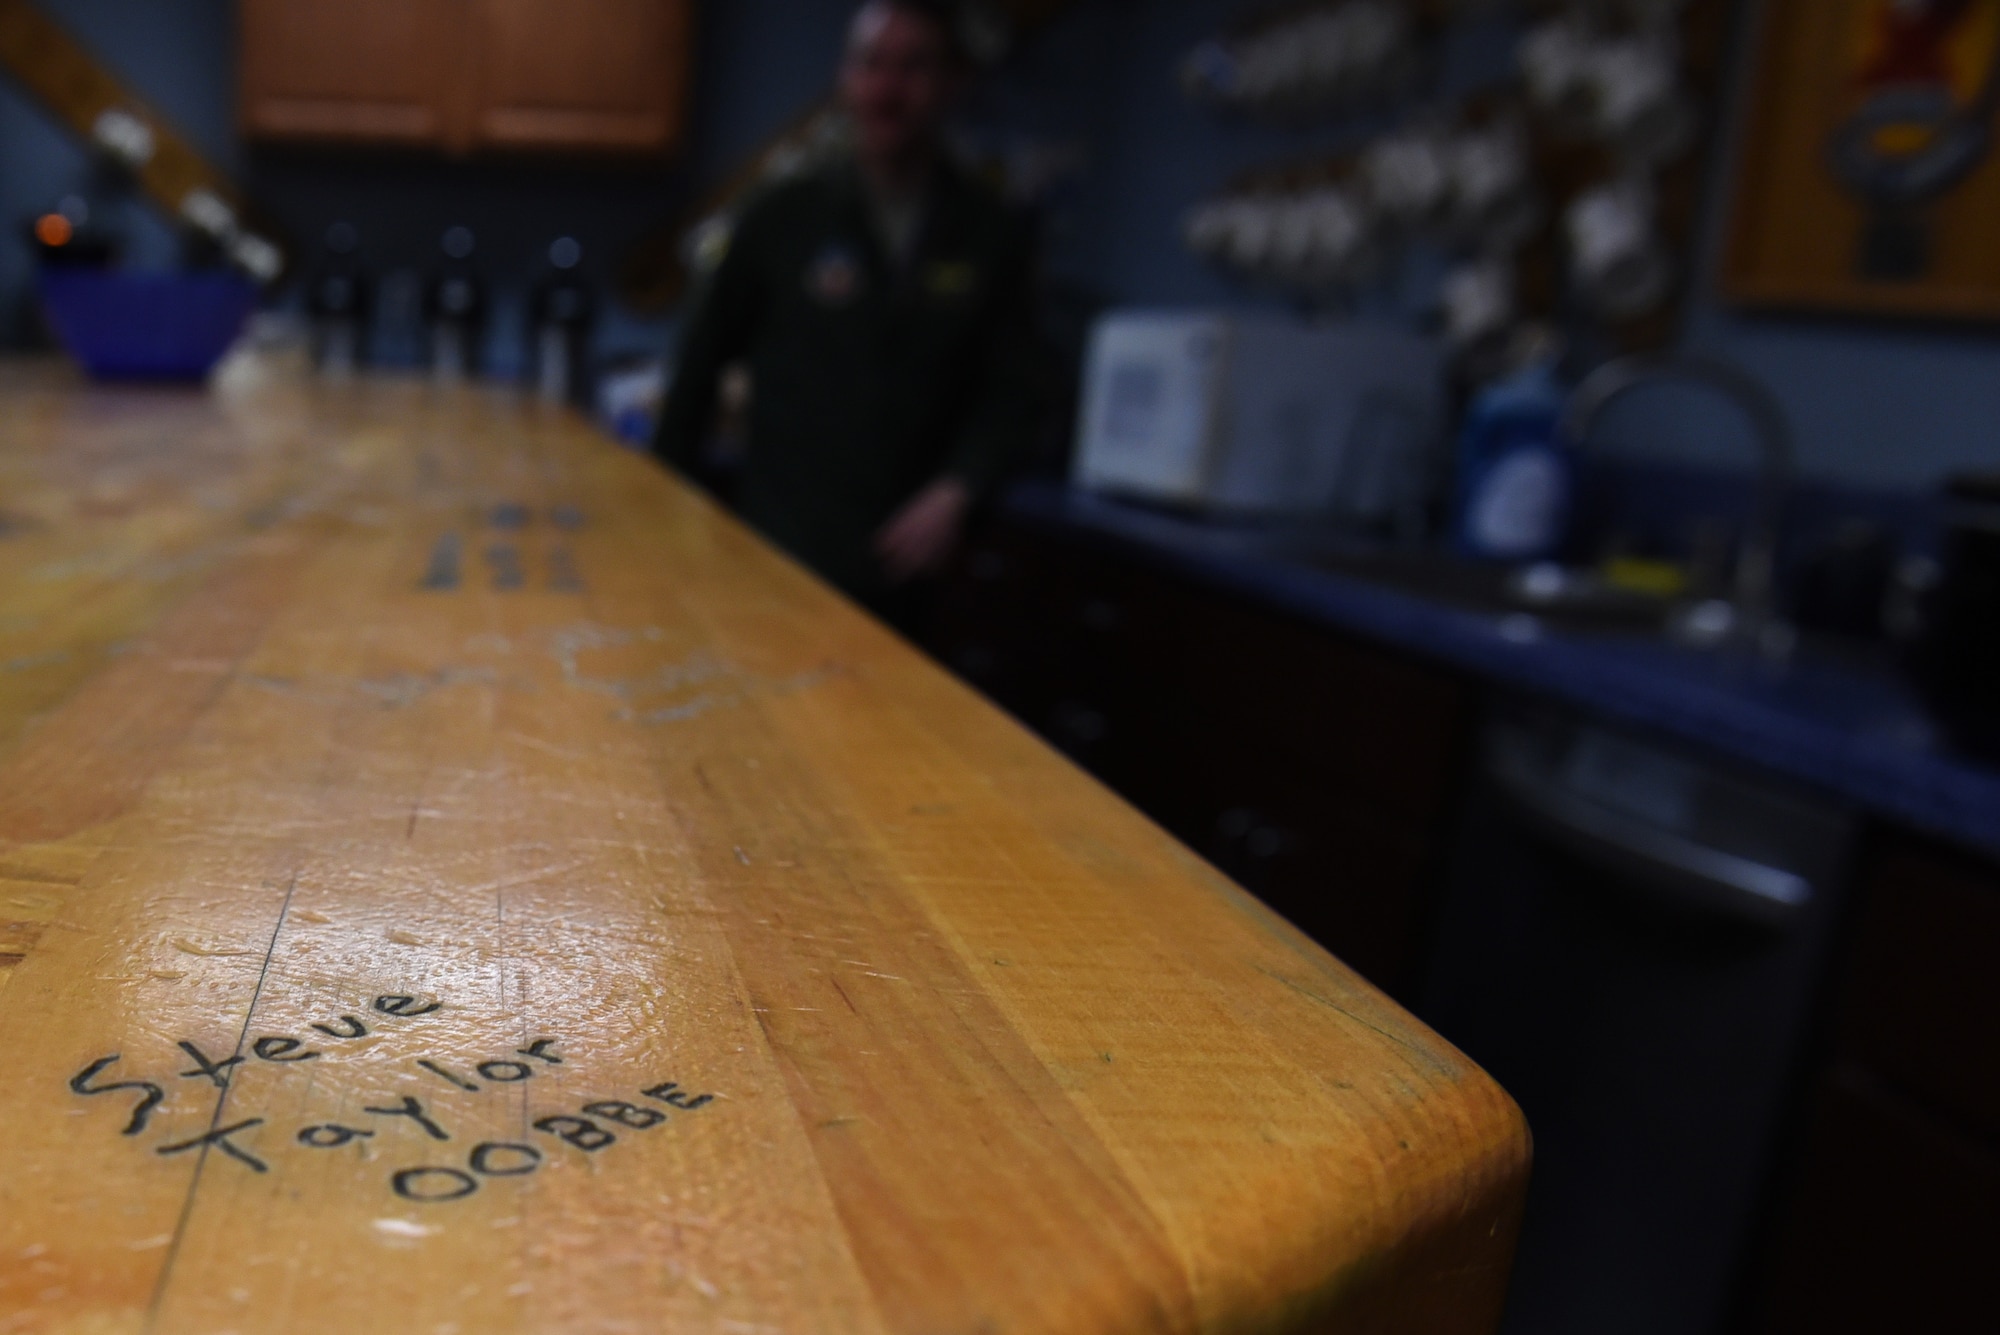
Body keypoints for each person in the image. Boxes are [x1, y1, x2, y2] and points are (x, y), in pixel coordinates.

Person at [653, 0, 1040, 621]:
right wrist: (665, 533)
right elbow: (696, 372)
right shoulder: (782, 215)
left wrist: (959, 488)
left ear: (952, 82)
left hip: (911, 576)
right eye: (871, 64)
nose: (887, 88)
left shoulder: (990, 234)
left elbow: (1019, 390)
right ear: (845, 78)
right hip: (779, 559)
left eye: (913, 67)